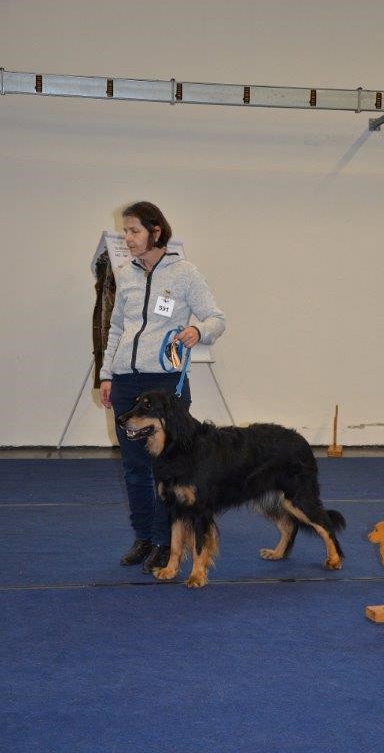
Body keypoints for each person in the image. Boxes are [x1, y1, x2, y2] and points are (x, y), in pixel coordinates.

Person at [99, 201, 225, 573]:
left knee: (168, 472)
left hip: (165, 386)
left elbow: (217, 319)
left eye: (134, 230)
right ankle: (143, 537)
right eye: (125, 231)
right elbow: (116, 330)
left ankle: (163, 541)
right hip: (126, 382)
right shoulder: (126, 274)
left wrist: (198, 330)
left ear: (155, 232)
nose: (127, 238)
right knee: (134, 468)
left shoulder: (185, 273)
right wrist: (107, 374)